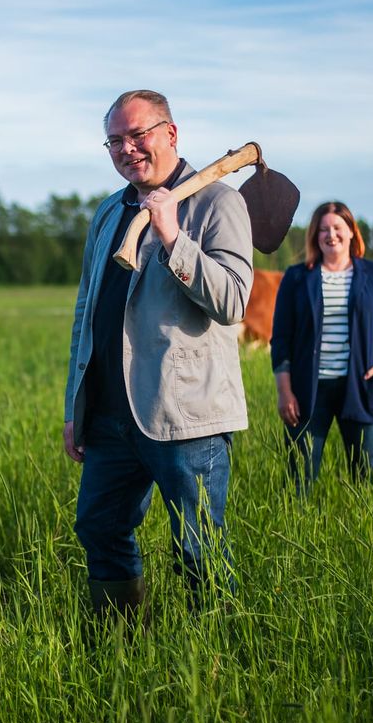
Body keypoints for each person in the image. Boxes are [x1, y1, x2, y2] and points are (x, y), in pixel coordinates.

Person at [64, 90, 253, 618]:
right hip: (109, 416)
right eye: (115, 140)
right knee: (99, 528)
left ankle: (215, 651)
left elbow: (234, 301)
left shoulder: (218, 203)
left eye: (138, 134)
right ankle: (119, 643)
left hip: (185, 413)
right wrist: (74, 407)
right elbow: (86, 313)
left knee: (197, 545)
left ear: (171, 133)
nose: (127, 148)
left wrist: (173, 236)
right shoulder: (110, 212)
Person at [270, 201, 373, 498]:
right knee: (299, 480)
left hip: (363, 388)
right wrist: (284, 391)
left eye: (337, 228)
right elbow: (280, 338)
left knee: (371, 481)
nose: (331, 235)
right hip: (307, 392)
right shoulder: (296, 278)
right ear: (314, 235)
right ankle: (298, 526)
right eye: (323, 229)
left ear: (352, 231)